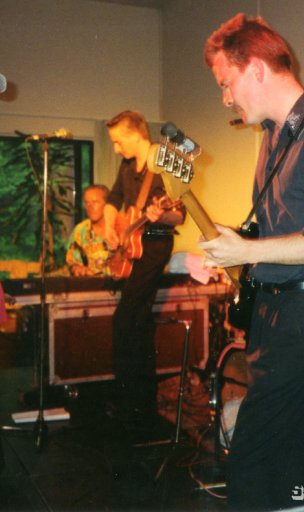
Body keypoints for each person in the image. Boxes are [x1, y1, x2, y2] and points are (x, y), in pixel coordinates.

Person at [201, 14, 304, 510]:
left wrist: (246, 252)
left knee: (258, 457)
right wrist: (222, 250)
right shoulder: (274, 136)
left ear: (255, 70)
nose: (226, 98)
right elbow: (270, 230)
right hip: (274, 313)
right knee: (275, 460)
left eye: (227, 84)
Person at [103, 110, 185, 424]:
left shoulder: (163, 164)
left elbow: (179, 215)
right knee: (136, 322)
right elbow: (113, 199)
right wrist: (113, 228)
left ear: (136, 135)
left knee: (125, 318)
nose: (115, 148)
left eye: (118, 141)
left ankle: (128, 397)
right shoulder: (126, 167)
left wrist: (160, 215)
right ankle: (140, 405)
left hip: (154, 245)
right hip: (132, 246)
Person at [66, 184, 111, 277]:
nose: (89, 207)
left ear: (107, 204)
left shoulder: (121, 226)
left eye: (95, 202)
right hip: (94, 286)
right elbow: (72, 261)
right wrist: (78, 269)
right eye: (86, 203)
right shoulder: (81, 230)